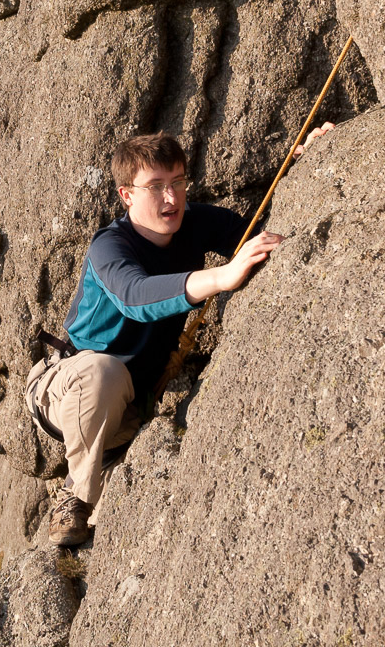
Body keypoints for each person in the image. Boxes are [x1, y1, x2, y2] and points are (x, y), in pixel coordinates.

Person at [27, 127, 330, 546]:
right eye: (155, 186)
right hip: (66, 389)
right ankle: (75, 497)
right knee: (103, 371)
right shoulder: (109, 247)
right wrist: (221, 277)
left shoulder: (197, 222)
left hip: (131, 406)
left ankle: (108, 460)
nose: (171, 197)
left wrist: (311, 163)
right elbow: (134, 296)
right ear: (126, 195)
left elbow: (263, 236)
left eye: (178, 182)